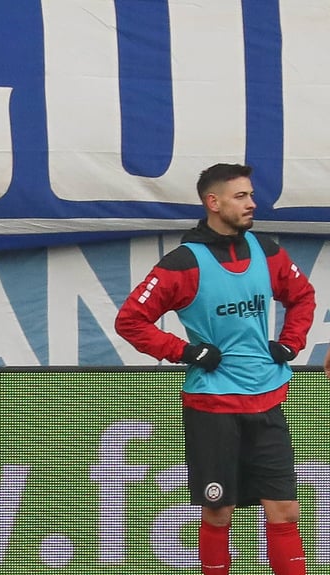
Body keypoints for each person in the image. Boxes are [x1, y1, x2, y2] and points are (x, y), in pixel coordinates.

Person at [115, 163, 316, 575]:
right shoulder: (183, 263)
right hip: (212, 408)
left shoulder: (266, 251)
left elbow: (302, 296)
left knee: (285, 511)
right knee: (218, 513)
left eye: (251, 195)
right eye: (240, 196)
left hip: (267, 401)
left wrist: (291, 342)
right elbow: (130, 321)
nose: (251, 203)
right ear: (213, 202)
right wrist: (186, 352)